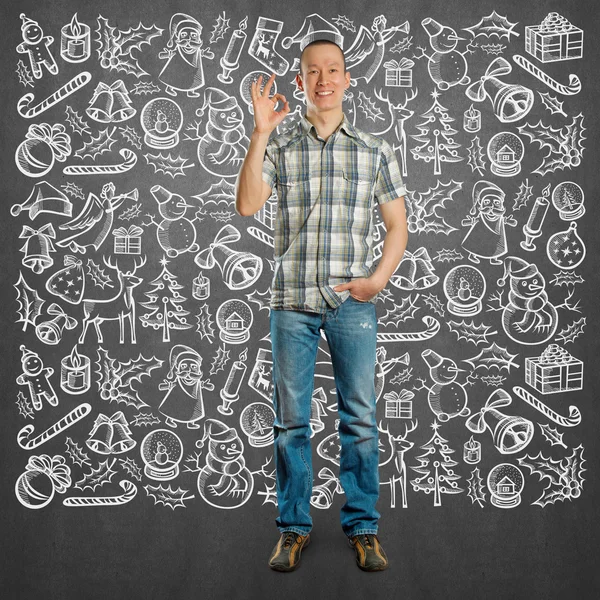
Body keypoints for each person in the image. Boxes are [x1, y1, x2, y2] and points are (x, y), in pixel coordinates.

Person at [235, 38, 408, 572]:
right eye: (313, 71)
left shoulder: (375, 150)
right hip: (291, 302)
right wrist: (260, 132)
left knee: (359, 418)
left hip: (352, 303)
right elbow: (246, 205)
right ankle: (293, 529)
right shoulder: (282, 145)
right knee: (291, 423)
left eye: (333, 69)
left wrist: (378, 279)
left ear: (347, 78)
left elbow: (398, 225)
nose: (324, 79)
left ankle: (363, 528)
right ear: (302, 80)